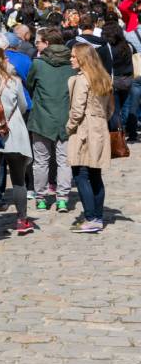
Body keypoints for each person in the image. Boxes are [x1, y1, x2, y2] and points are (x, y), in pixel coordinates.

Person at [0, 47, 36, 235]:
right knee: (19, 179)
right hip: (13, 132)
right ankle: (22, 219)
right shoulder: (13, 82)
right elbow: (23, 105)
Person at [26, 26, 75, 213]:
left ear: (47, 43)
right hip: (65, 116)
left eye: (39, 42)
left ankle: (40, 197)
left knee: (41, 161)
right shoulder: (71, 63)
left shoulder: (38, 64)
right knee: (64, 161)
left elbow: (30, 85)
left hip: (42, 118)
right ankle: (62, 198)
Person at [67, 42, 113, 233]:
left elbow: (77, 110)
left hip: (84, 129)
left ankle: (91, 217)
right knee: (95, 174)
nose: (70, 59)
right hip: (99, 127)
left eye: (73, 56)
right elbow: (111, 109)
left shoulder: (82, 79)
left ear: (83, 58)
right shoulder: (103, 77)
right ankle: (98, 217)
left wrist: (69, 127)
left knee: (81, 174)